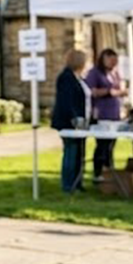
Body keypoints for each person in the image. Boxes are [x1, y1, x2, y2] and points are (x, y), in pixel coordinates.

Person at [85, 48, 127, 182]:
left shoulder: (114, 73)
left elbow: (118, 88)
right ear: (104, 59)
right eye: (111, 61)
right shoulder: (95, 73)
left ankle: (109, 170)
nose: (114, 64)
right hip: (101, 113)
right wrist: (109, 92)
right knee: (102, 144)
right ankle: (98, 172)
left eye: (116, 61)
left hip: (114, 113)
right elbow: (91, 91)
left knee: (111, 145)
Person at [52, 49, 91, 193]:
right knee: (71, 152)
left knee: (79, 153)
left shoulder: (78, 77)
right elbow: (66, 101)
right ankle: (68, 184)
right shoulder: (66, 77)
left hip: (81, 122)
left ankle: (77, 182)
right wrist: (74, 118)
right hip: (69, 122)